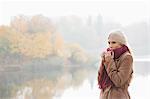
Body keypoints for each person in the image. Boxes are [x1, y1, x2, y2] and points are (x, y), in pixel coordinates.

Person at [97, 30, 133, 99]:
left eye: (113, 42)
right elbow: (100, 79)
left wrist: (109, 61)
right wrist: (103, 61)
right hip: (104, 95)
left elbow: (118, 81)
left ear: (121, 43)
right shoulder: (109, 56)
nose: (110, 45)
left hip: (118, 96)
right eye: (109, 43)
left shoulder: (127, 57)